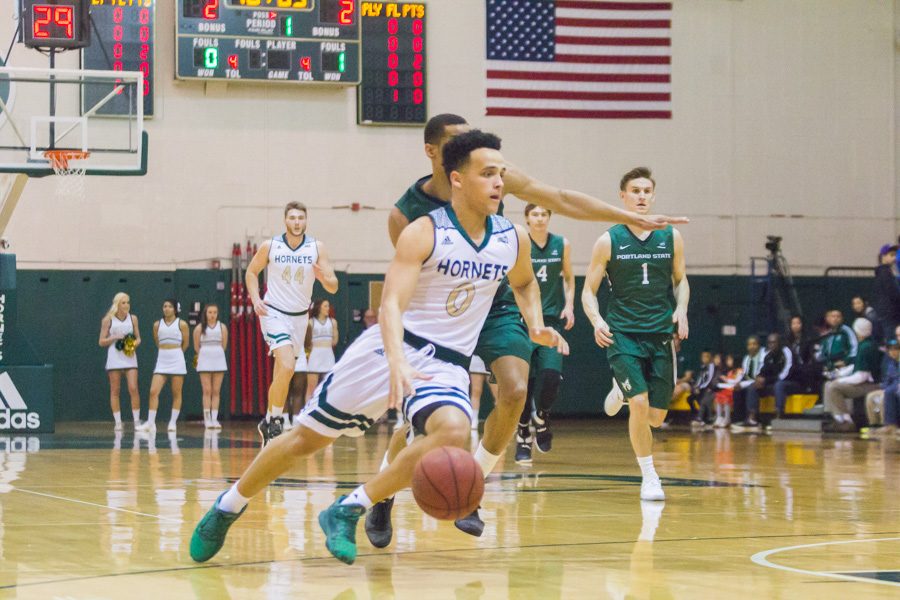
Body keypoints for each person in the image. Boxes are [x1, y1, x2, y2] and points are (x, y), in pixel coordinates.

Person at [189, 130, 568, 565]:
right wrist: (396, 359)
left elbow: (524, 283)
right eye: (487, 174)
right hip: (390, 348)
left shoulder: (512, 238)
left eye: (501, 173)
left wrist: (535, 325)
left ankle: (349, 507)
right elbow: (390, 303)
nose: (499, 183)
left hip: (447, 364)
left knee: (454, 432)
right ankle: (227, 507)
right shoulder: (424, 232)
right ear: (457, 179)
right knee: (303, 440)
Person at [371, 114, 688, 540]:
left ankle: (474, 486)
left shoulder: (493, 174)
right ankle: (380, 495)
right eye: (456, 143)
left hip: (495, 304)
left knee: (517, 390)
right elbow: (412, 290)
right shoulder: (406, 214)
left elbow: (559, 197)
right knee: (418, 426)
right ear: (432, 152)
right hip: (439, 315)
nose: (471, 149)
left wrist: (630, 218)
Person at [582, 166, 690, 501]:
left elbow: (681, 279)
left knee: (656, 418)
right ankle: (649, 476)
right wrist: (597, 321)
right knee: (640, 405)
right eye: (635, 190)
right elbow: (587, 291)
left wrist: (681, 309)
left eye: (646, 191)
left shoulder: (670, 236)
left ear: (652, 195)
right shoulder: (609, 240)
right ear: (623, 196)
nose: (641, 196)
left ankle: (621, 390)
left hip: (659, 334)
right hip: (623, 334)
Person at [246, 202, 339, 447]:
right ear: (285, 221)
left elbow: (333, 285)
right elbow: (251, 272)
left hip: (300, 317)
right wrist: (255, 299)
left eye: (301, 218)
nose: (296, 222)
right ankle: (275, 419)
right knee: (287, 366)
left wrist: (324, 278)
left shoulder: (316, 248)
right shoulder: (271, 246)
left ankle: (269, 420)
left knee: (282, 372)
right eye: (292, 218)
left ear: (306, 221)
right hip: (274, 312)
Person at [515, 204, 575, 465]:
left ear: (549, 218)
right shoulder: (519, 244)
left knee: (550, 377)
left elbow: (570, 278)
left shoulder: (561, 244)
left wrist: (570, 304)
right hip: (523, 323)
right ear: (527, 219)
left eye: (544, 214)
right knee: (523, 385)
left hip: (551, 322)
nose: (539, 218)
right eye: (535, 214)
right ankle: (522, 436)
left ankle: (542, 416)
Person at [823, 318, 881, 433]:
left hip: (871, 384)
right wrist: (840, 374)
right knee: (829, 384)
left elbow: (861, 376)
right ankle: (838, 419)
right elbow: (855, 366)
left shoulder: (866, 347)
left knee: (834, 387)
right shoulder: (866, 344)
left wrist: (842, 380)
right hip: (865, 381)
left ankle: (847, 422)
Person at [99, 292, 143, 431]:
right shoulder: (108, 320)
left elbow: (139, 338)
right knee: (115, 390)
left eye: (128, 302)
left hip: (129, 356)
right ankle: (118, 422)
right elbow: (101, 341)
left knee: (133, 388)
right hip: (115, 357)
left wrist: (134, 344)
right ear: (117, 304)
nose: (126, 305)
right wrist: (114, 337)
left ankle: (136, 422)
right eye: (123, 302)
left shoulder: (133, 318)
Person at [146, 299, 190, 433]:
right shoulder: (156, 325)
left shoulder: (182, 324)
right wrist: (165, 352)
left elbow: (186, 343)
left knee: (176, 392)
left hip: (177, 359)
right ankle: (150, 423)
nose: (166, 309)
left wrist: (176, 353)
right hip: (162, 360)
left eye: (170, 306)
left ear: (175, 309)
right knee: (153, 391)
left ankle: (172, 423)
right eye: (164, 306)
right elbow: (157, 341)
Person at [735, 333, 792, 431]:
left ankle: (779, 417)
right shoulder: (768, 356)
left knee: (779, 385)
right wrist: (759, 378)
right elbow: (764, 371)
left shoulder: (786, 352)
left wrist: (766, 380)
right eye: (769, 343)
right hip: (773, 383)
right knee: (753, 386)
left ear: (779, 343)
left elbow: (786, 374)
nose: (772, 345)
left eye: (774, 342)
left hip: (789, 382)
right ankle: (752, 419)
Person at [194, 303, 228, 429]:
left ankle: (214, 419)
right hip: (204, 358)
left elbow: (224, 345)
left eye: (214, 312)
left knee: (216, 391)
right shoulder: (199, 328)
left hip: (218, 358)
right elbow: (196, 346)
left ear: (217, 314)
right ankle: (207, 419)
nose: (212, 315)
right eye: (210, 312)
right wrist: (204, 355)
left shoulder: (222, 327)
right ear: (205, 314)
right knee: (207, 390)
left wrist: (216, 353)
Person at [305, 299, 339, 402]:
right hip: (315, 356)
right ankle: (306, 413)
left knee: (328, 387)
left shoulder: (333, 322)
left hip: (328, 356)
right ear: (319, 307)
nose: (328, 308)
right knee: (311, 388)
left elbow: (335, 341)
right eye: (325, 306)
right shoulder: (310, 322)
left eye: (328, 306)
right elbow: (307, 342)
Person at [730, 335, 765, 431]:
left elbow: (759, 376)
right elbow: (745, 374)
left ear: (758, 345)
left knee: (751, 388)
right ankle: (740, 418)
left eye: (754, 344)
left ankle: (753, 420)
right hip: (750, 382)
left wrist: (744, 384)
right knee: (737, 389)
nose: (752, 346)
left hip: (763, 383)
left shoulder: (764, 355)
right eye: (750, 344)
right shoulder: (746, 358)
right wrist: (739, 383)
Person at [871, 339, 900, 437]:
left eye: (896, 349)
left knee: (891, 392)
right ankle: (885, 425)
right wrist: (881, 387)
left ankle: (894, 425)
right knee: (875, 395)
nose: (893, 352)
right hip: (893, 387)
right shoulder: (891, 363)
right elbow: (887, 380)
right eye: (890, 350)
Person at [817, 309, 858, 375]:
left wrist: (846, 361)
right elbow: (821, 352)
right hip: (829, 367)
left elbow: (854, 347)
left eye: (838, 316)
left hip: (844, 365)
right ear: (829, 319)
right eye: (833, 316)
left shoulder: (846, 330)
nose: (835, 319)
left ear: (842, 319)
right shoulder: (827, 334)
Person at [873, 244, 900, 344]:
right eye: (891, 255)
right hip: (890, 315)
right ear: (883, 256)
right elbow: (893, 294)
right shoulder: (885, 273)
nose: (894, 258)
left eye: (895, 255)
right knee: (892, 344)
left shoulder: (887, 273)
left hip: (890, 314)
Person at [687, 350, 716, 429]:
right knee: (689, 399)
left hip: (708, 389)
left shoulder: (711, 366)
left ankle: (702, 418)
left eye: (707, 356)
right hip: (701, 388)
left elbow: (709, 380)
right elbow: (700, 379)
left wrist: (700, 388)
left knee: (702, 398)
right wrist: (696, 387)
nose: (705, 358)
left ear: (711, 358)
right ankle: (697, 415)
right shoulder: (703, 367)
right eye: (703, 357)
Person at [713, 354, 741, 428]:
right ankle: (719, 417)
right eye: (727, 360)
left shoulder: (739, 370)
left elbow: (736, 381)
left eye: (730, 360)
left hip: (734, 390)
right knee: (719, 394)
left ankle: (727, 418)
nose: (728, 362)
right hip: (728, 388)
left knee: (726, 396)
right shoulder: (729, 371)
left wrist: (726, 379)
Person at [468, 355, 492, 431]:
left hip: (490, 358)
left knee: (498, 394)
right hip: (476, 359)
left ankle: (501, 420)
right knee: (476, 391)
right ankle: (474, 420)